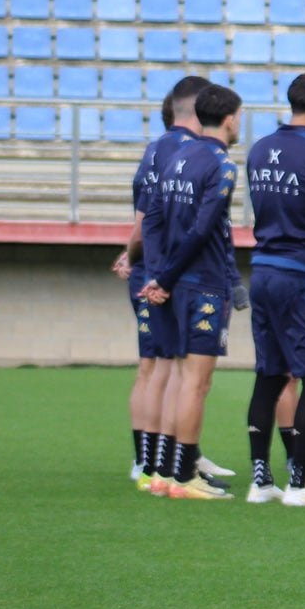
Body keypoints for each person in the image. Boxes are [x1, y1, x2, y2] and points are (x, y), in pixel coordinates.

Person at [242, 72, 305, 508]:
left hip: (262, 268)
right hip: (304, 274)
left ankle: (261, 480)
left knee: (270, 375)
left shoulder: (259, 149)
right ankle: (300, 484)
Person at [139, 83, 245, 500]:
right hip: (202, 284)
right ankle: (185, 476)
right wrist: (163, 278)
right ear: (231, 118)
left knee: (178, 378)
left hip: (171, 282)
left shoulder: (176, 155)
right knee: (195, 385)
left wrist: (156, 273)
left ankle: (164, 473)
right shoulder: (222, 165)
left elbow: (152, 220)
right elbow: (203, 230)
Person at [114, 76, 206, 492]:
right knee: (170, 368)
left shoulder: (154, 150)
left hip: (147, 269)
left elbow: (141, 219)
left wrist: (130, 255)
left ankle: (148, 459)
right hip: (167, 275)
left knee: (151, 367)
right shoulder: (189, 153)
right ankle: (162, 462)